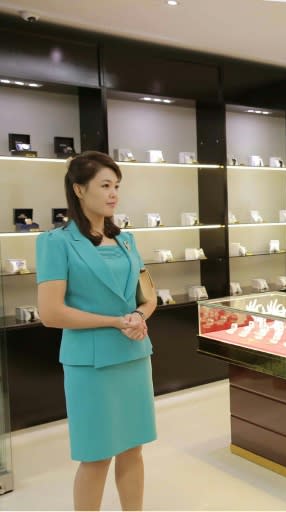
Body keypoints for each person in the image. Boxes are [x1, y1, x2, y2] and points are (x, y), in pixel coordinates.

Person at [36, 151, 157, 511]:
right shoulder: (55, 243)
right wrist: (117, 322)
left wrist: (138, 315)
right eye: (104, 185)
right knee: (96, 454)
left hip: (133, 356)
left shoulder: (127, 241)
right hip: (90, 364)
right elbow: (51, 312)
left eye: (116, 186)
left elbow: (148, 295)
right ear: (78, 189)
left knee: (133, 447)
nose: (113, 193)